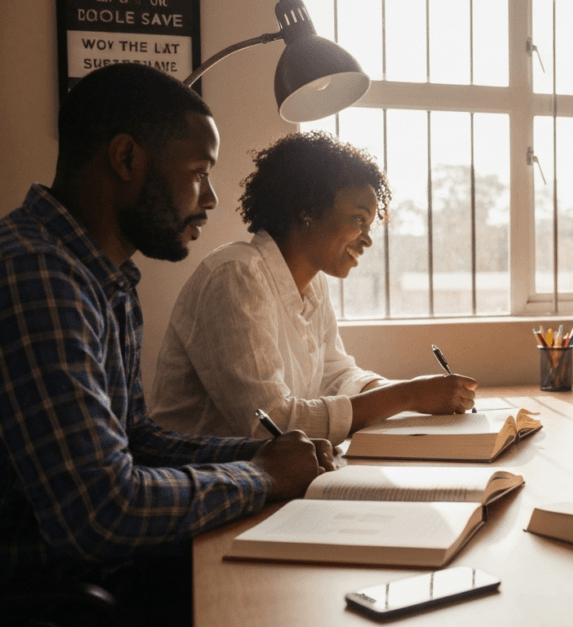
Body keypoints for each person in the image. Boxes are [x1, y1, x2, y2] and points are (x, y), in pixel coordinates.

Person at [0, 64, 334, 623]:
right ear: (127, 158)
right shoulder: (38, 275)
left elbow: (135, 438)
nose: (211, 199)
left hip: (102, 571)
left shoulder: (104, 278)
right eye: (200, 173)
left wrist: (261, 453)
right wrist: (266, 476)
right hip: (57, 590)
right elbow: (101, 511)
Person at [150, 131, 477, 442]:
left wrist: (414, 393)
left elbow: (336, 378)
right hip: (206, 479)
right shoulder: (236, 275)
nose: (367, 239)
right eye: (359, 219)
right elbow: (271, 423)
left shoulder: (312, 284)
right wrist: (409, 395)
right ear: (307, 209)